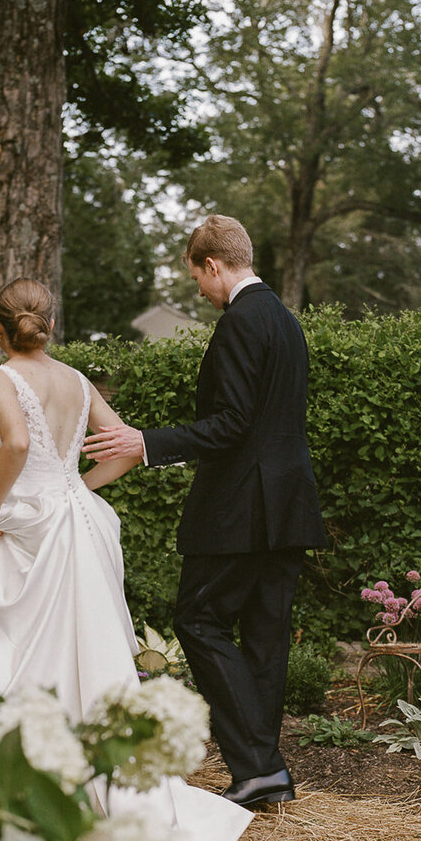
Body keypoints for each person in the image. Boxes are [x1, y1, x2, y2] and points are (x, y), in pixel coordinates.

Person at [0, 277, 251, 841]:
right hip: (79, 523)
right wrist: (80, 487)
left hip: (27, 523)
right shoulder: (78, 381)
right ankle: (94, 774)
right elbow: (127, 446)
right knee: (84, 651)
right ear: (50, 324)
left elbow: (14, 445)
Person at [83, 215, 329, 809]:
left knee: (199, 620)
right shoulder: (285, 320)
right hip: (287, 503)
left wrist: (147, 443)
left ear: (214, 265)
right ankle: (264, 772)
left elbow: (233, 424)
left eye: (197, 276)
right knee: (266, 639)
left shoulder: (241, 322)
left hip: (243, 509)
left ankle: (258, 766)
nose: (198, 290)